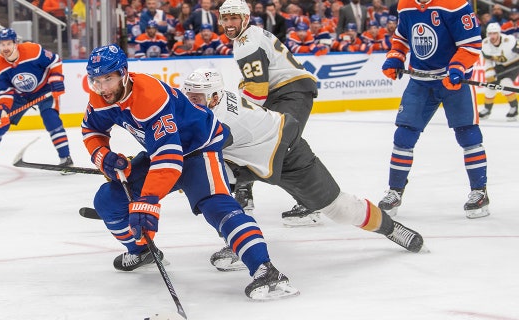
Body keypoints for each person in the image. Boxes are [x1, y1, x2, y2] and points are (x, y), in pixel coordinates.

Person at [83, 44, 298, 301]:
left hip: (198, 149)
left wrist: (148, 200)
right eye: (97, 80)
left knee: (217, 207)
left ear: (124, 73)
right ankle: (142, 251)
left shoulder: (149, 96)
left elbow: (169, 157)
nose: (104, 87)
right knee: (109, 198)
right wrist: (104, 157)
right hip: (163, 151)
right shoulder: (100, 98)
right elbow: (92, 131)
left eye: (109, 78)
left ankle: (266, 271)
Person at [181, 68, 425, 271]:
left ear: (214, 96)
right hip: (247, 156)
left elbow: (190, 149)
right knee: (214, 193)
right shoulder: (212, 105)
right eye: (188, 96)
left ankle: (392, 229)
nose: (191, 103)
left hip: (287, 155)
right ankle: (238, 242)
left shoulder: (221, 119)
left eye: (197, 98)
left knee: (339, 208)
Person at [380, 0, 489, 219]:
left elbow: (471, 44)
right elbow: (402, 36)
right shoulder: (405, 5)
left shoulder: (455, 4)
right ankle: (395, 191)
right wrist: (396, 56)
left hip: (453, 81)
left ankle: (480, 192)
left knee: (468, 135)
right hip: (420, 80)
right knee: (403, 136)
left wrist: (458, 67)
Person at [219, 0, 319, 225]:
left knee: (281, 147)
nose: (229, 23)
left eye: (233, 18)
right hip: (285, 92)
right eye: (225, 18)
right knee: (255, 142)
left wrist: (241, 116)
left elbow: (256, 90)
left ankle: (310, 203)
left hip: (291, 92)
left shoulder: (246, 42)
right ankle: (244, 193)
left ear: (244, 18)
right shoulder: (250, 35)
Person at [0, 28, 72, 173]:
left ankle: (66, 159)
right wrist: (2, 109)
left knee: (51, 118)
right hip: (20, 95)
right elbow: (5, 92)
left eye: (8, 44)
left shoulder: (33, 50)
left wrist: (56, 79)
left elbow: (55, 61)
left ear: (16, 44)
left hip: (45, 89)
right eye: (2, 45)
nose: (5, 48)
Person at [479, 22, 519, 121]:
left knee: (506, 84)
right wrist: (489, 71)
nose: (492, 36)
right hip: (499, 65)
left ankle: (514, 108)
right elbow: (488, 60)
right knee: (490, 85)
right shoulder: (485, 44)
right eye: (490, 33)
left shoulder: (509, 40)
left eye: (494, 33)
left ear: (499, 33)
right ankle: (487, 109)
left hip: (514, 63)